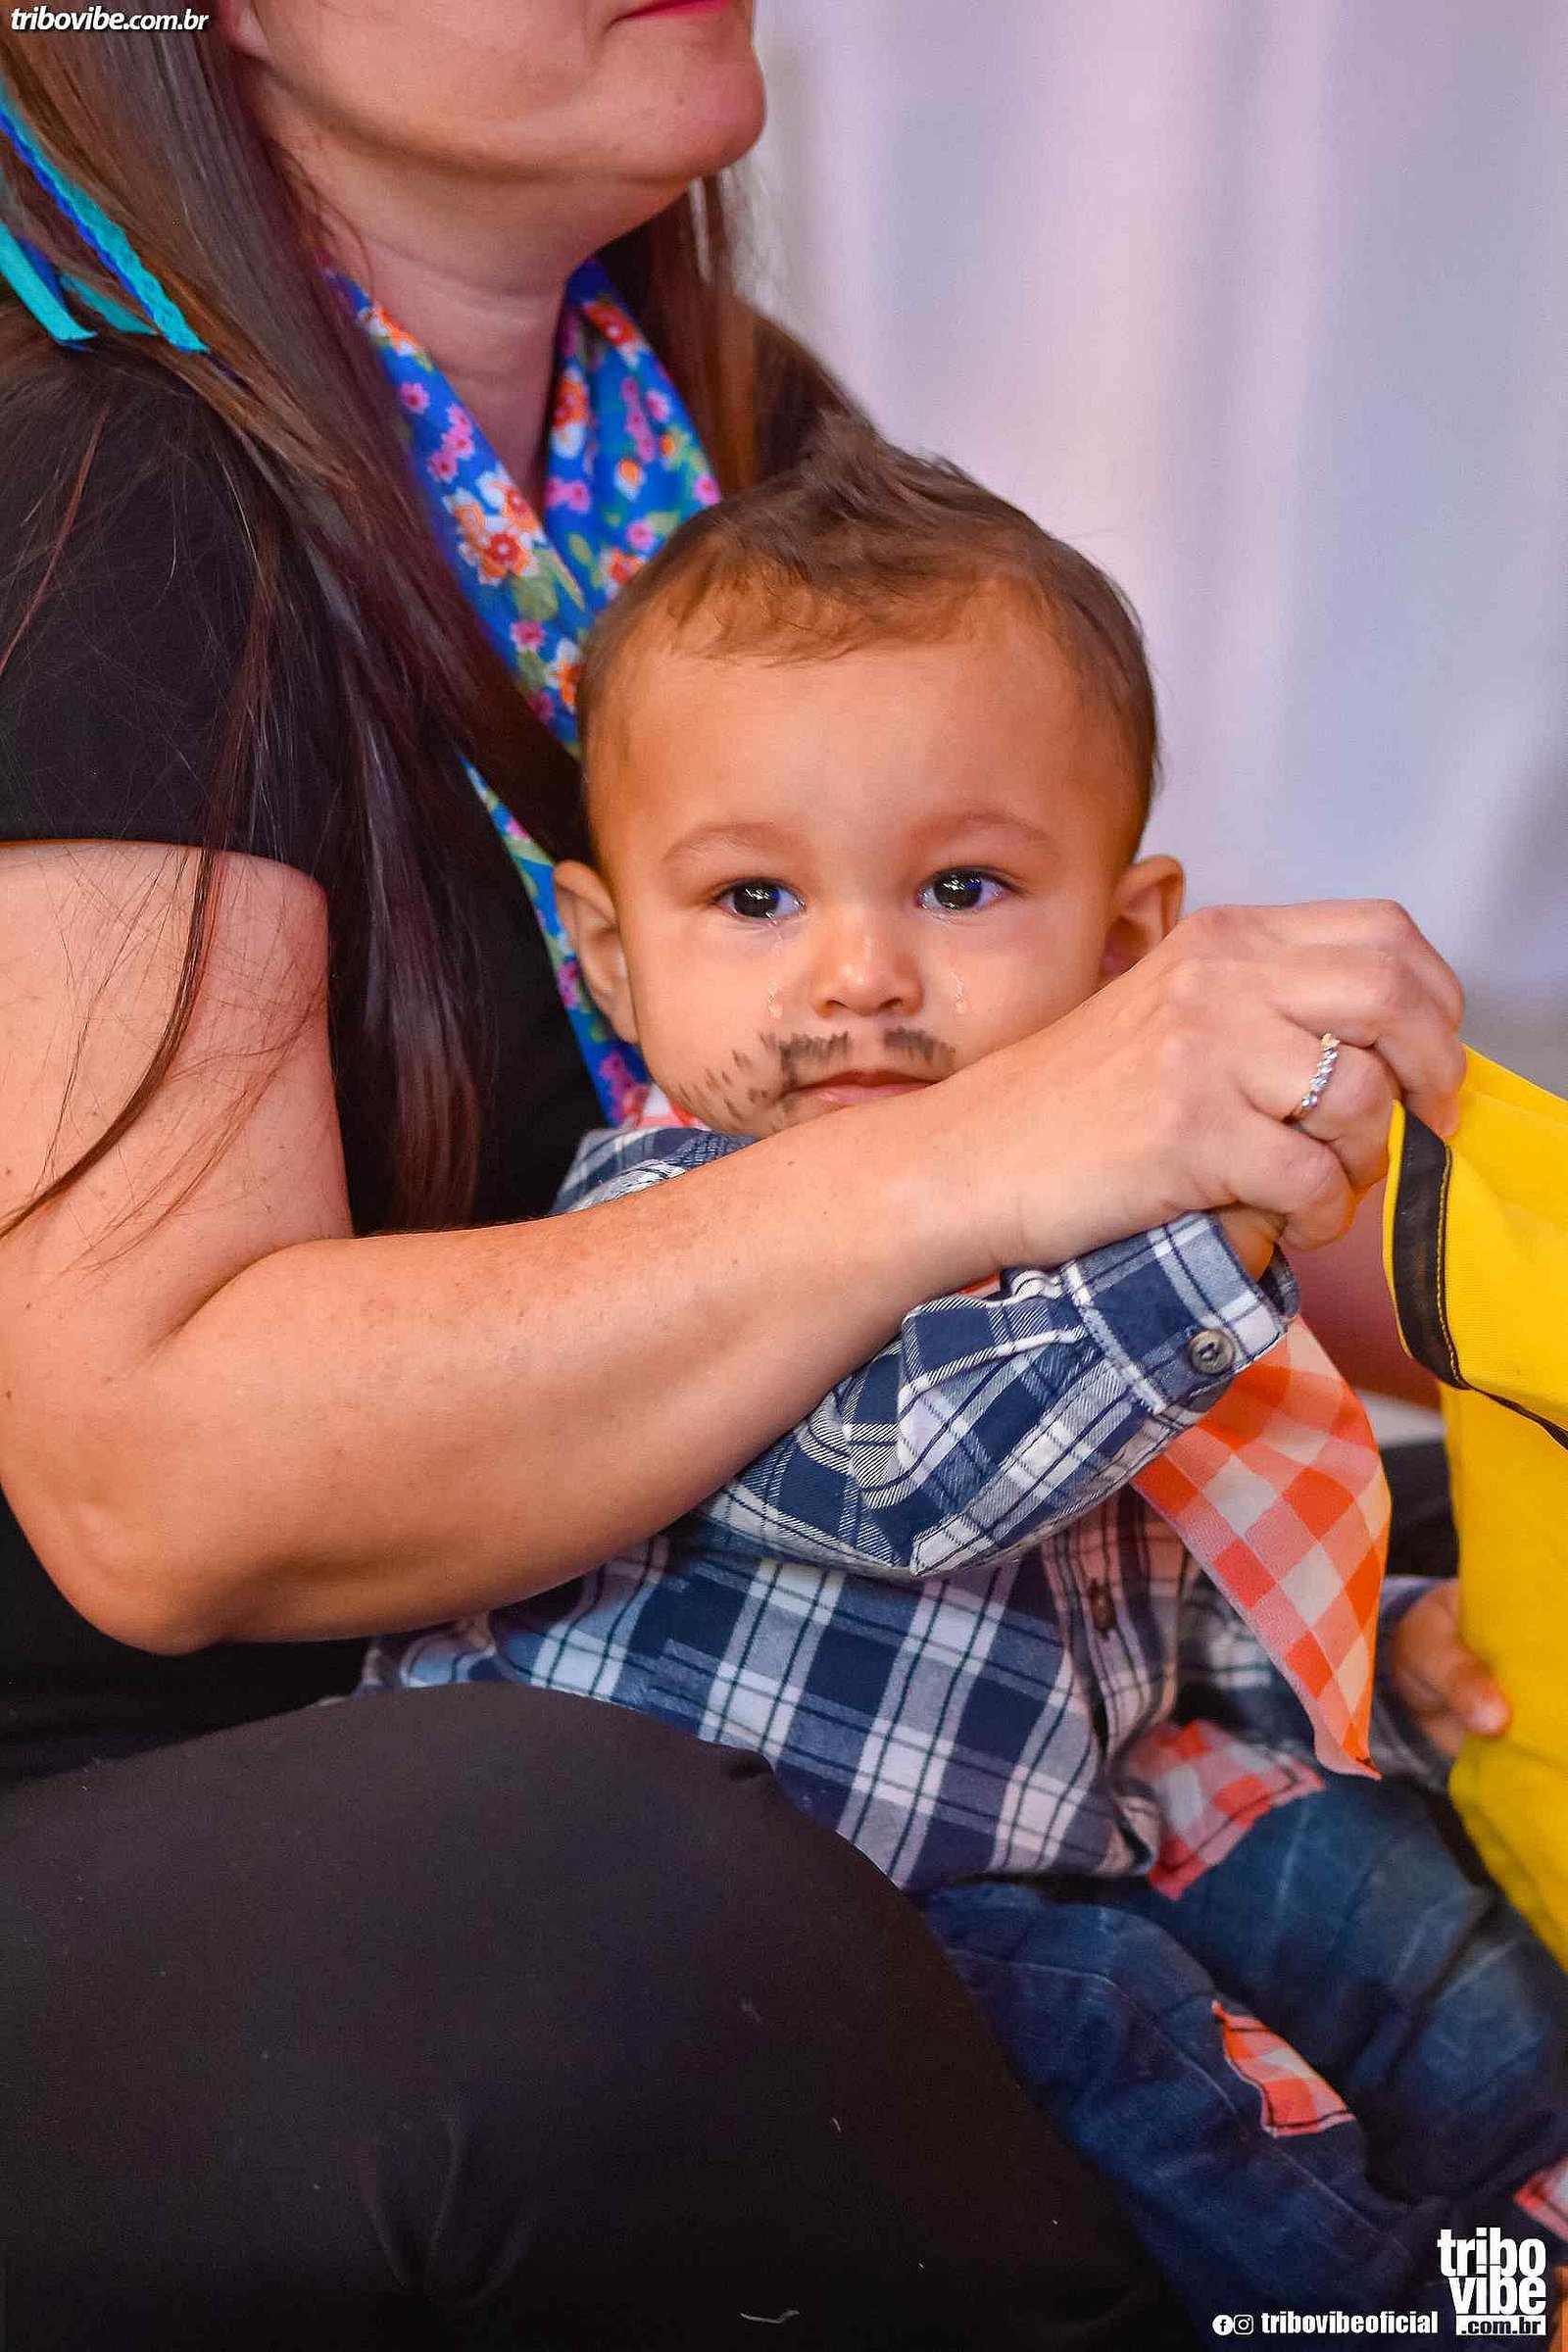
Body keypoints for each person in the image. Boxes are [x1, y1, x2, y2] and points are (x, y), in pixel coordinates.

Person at [0, 6, 1465, 2343]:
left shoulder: (724, 439)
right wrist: (976, 1155)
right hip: (202, 1808)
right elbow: (155, 1491)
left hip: (803, 1677)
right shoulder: (88, 459)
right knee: (587, 1867)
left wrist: (1470, 1280)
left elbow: (1118, 1109)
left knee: (1429, 1568)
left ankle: (1469, 2247)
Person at [371, 427, 1568, 2327]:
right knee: (1136, 2049)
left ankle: (1539, 2183)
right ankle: (1427, 2309)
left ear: (1126, 943)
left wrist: (1375, 1668)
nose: (857, 975)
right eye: (752, 901)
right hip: (783, 1912)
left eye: (957, 887)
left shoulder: (1085, 1226)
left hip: (1075, 1809)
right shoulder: (669, 1224)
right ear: (610, 954)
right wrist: (1219, 1232)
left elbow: (1160, 1580)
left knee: (1381, 1893)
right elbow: (912, 1468)